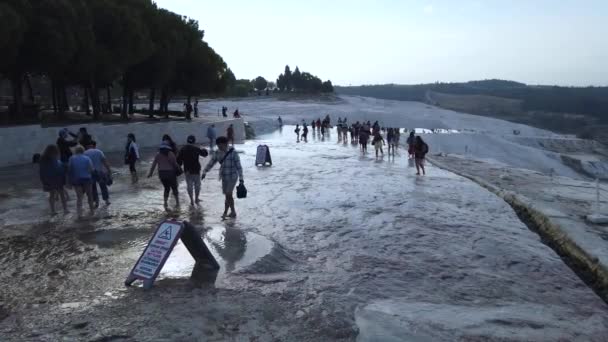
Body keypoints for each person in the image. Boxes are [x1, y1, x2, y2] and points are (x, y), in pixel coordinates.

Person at [202, 136, 244, 219]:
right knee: (227, 195)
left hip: (233, 176)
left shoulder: (233, 152)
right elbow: (211, 163)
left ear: (226, 144)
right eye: (218, 145)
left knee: (228, 193)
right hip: (224, 176)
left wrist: (241, 179)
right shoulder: (217, 153)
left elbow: (239, 166)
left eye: (220, 145)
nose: (219, 147)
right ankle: (226, 211)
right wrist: (204, 172)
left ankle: (233, 211)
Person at [177, 135, 209, 206]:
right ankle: (196, 199)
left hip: (187, 170)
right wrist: (203, 149)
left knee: (189, 185)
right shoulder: (196, 148)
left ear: (187, 140)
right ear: (194, 141)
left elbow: (179, 161)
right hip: (196, 169)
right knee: (197, 185)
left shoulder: (183, 149)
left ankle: (191, 200)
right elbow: (205, 154)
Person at [148, 143, 181, 207]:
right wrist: (179, 169)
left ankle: (165, 203)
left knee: (166, 188)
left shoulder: (158, 155)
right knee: (174, 188)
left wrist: (150, 173)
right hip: (170, 173)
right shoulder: (170, 154)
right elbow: (175, 164)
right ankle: (177, 203)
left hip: (162, 174)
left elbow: (153, 165)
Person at [39, 144, 68, 215]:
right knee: (61, 194)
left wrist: (43, 181)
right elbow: (59, 168)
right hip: (58, 178)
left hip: (49, 179)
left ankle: (53, 211)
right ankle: (65, 209)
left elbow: (41, 171)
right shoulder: (54, 159)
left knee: (52, 195)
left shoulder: (43, 159)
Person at [68, 146, 95, 216]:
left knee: (79, 197)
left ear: (75, 151)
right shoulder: (87, 158)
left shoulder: (72, 158)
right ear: (83, 151)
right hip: (87, 178)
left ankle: (79, 213)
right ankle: (92, 211)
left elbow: (69, 170)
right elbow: (91, 169)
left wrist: (69, 181)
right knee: (90, 195)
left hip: (76, 179)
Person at [85, 141, 112, 207]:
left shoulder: (85, 153)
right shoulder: (99, 151)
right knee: (103, 186)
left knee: (93, 188)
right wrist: (109, 171)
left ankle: (96, 202)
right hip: (100, 172)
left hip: (90, 173)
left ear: (88, 146)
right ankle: (106, 200)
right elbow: (104, 161)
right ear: (94, 146)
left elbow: (84, 164)